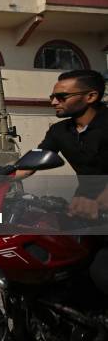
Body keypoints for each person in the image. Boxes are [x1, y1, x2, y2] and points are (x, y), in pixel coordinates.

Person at [16, 69, 108, 294]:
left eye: (61, 97)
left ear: (91, 96)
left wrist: (101, 203)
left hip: (100, 207)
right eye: (52, 97)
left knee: (101, 272)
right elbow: (31, 164)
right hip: (82, 209)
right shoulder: (60, 130)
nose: (54, 102)